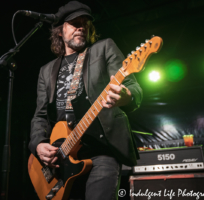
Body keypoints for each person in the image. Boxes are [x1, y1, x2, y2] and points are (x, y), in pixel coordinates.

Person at [28, 1, 142, 199]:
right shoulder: (46, 71)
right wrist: (38, 144)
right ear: (60, 31)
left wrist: (126, 96)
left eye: (85, 22)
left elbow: (133, 87)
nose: (81, 26)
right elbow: (40, 116)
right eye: (74, 22)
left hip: (101, 151)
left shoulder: (103, 48)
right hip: (62, 157)